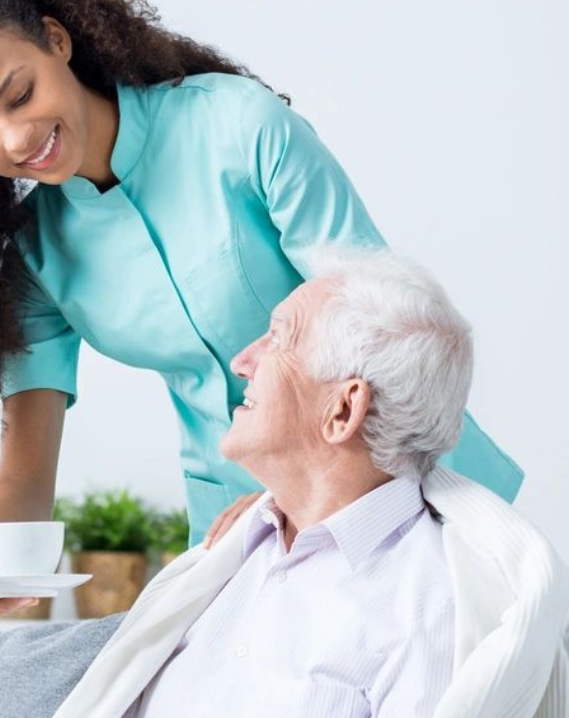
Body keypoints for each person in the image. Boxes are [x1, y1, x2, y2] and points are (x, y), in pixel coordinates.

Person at [0, 0, 522, 617]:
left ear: (55, 40)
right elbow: (26, 473)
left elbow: (386, 330)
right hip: (239, 537)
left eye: (21, 94)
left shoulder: (236, 127)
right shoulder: (36, 256)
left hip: (411, 492)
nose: (17, 137)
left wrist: (300, 489)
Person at [51, 247, 568, 718]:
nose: (241, 361)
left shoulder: (427, 614)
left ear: (342, 410)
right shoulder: (235, 551)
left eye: (277, 337)